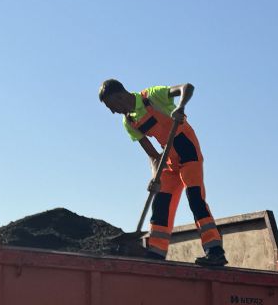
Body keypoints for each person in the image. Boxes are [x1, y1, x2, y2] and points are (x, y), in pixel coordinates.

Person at [98, 78, 229, 268]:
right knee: (161, 202)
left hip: (186, 148)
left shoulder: (151, 96)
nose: (112, 111)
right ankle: (156, 253)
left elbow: (187, 87)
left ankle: (215, 251)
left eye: (111, 106)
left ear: (118, 97)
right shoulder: (129, 122)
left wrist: (180, 107)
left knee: (195, 198)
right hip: (169, 161)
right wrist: (155, 177)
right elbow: (153, 155)